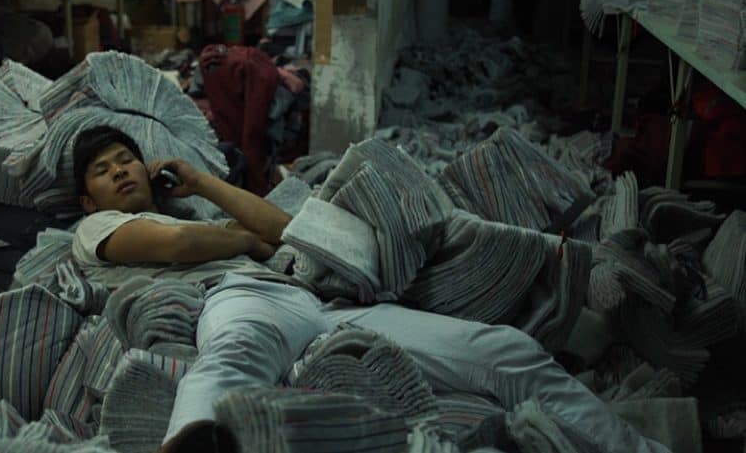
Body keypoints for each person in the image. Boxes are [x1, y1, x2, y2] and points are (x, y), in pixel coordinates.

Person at [69, 126, 669, 453]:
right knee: (234, 357)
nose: (120, 170)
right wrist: (243, 241)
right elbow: (179, 246)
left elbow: (289, 229)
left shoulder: (195, 209)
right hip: (237, 296)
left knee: (503, 350)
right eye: (103, 169)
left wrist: (202, 182)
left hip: (317, 301)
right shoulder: (96, 228)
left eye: (127, 159)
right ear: (87, 199)